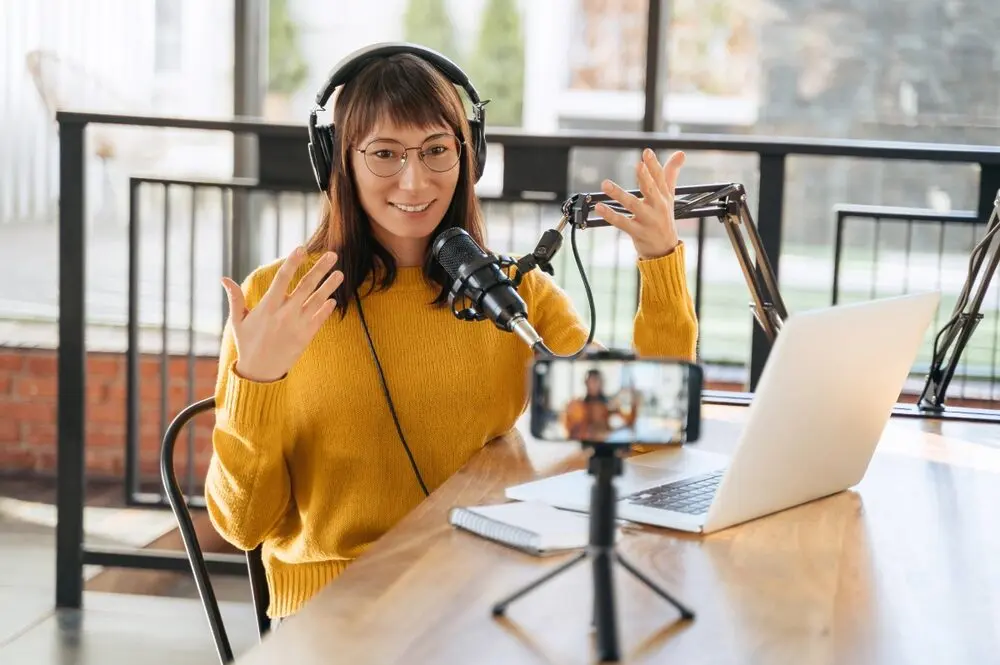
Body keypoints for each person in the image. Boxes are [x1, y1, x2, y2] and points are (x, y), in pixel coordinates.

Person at [204, 45, 698, 623]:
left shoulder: (513, 297)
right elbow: (243, 526)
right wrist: (256, 379)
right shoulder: (279, 302)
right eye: (384, 154)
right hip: (338, 609)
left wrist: (658, 259)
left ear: (469, 156)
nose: (414, 182)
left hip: (481, 591)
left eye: (437, 150)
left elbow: (646, 429)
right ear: (339, 162)